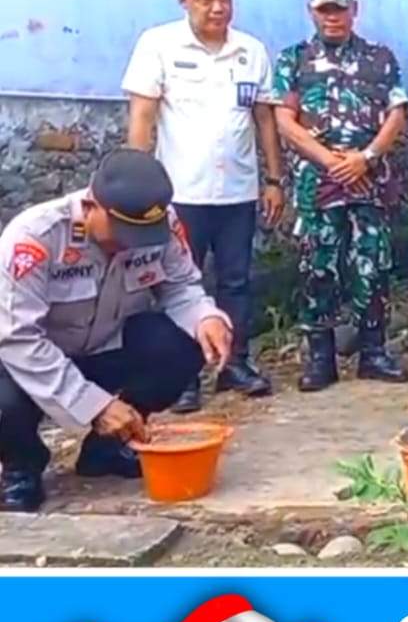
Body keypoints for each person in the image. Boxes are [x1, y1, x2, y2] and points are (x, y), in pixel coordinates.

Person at [0, 150, 233, 512]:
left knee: (182, 344)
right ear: (91, 205)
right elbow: (18, 339)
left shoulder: (163, 225)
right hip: (31, 361)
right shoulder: (35, 238)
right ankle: (21, 467)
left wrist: (206, 316)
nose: (130, 242)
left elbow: (181, 286)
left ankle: (107, 448)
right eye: (122, 232)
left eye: (141, 234)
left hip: (104, 349)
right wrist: (94, 405)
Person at [122, 0, 283, 413]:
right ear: (183, 0)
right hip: (180, 196)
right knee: (179, 282)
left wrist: (273, 179)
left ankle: (235, 363)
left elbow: (264, 117)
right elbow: (143, 117)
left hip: (237, 191)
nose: (217, 7)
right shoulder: (158, 45)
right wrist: (138, 187)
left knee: (236, 280)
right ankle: (185, 373)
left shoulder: (250, 51)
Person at [271, 0, 408, 391]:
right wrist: (329, 161)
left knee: (372, 263)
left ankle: (373, 352)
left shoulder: (380, 58)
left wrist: (365, 158)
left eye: (340, 9)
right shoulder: (293, 59)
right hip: (319, 183)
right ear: (312, 11)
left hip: (369, 179)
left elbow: (397, 113)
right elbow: (284, 118)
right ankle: (320, 359)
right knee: (319, 266)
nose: (333, 17)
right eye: (324, 10)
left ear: (355, 9)